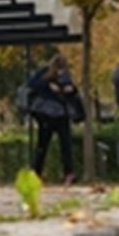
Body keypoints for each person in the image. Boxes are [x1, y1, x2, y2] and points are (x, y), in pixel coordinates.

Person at [27, 54, 80, 184]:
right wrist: (48, 85)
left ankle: (69, 172)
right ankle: (36, 172)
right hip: (46, 114)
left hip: (61, 114)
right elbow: (32, 84)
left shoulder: (66, 75)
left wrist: (71, 90)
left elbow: (72, 90)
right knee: (43, 144)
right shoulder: (44, 72)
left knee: (66, 144)